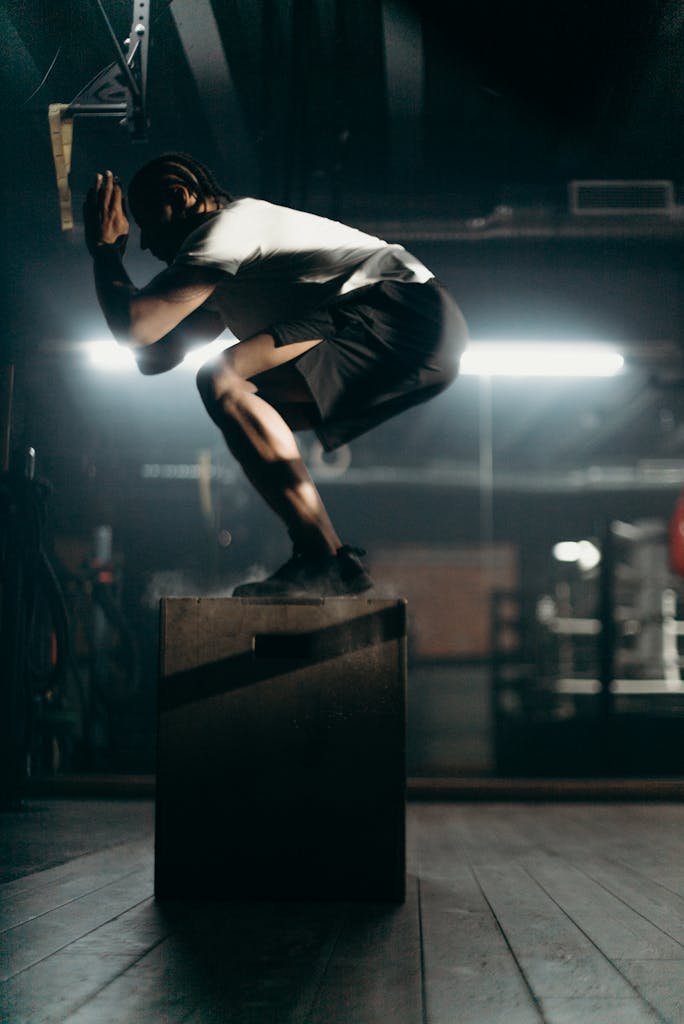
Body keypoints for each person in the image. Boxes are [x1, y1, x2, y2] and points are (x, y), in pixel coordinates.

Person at [84, 154, 468, 596]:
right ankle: (326, 559)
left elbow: (135, 328)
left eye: (149, 222)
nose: (146, 244)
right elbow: (154, 357)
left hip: (404, 312)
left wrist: (106, 252)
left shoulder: (225, 229)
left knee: (223, 377)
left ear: (181, 196)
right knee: (245, 406)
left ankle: (322, 555)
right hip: (423, 331)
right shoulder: (228, 274)